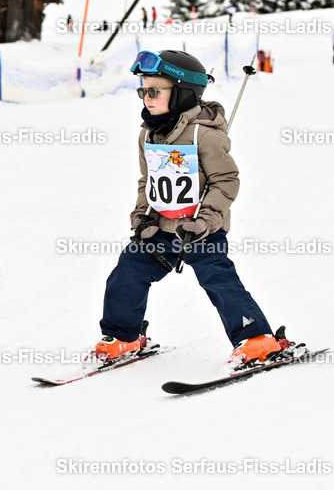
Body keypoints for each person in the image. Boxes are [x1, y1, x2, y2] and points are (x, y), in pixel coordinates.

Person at [91, 50, 298, 368]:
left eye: (154, 90)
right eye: (143, 91)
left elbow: (226, 181)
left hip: (201, 230)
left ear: (183, 93)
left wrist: (207, 219)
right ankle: (123, 337)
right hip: (161, 228)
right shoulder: (148, 134)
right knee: (127, 273)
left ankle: (257, 339)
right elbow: (148, 180)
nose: (147, 98)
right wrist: (143, 217)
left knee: (217, 278)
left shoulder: (205, 135)